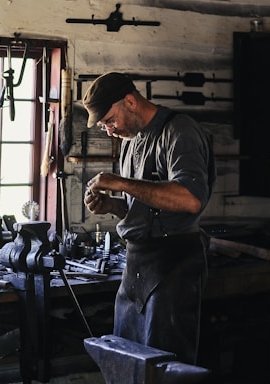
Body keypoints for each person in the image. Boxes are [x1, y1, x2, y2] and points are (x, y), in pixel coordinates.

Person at [82, 72, 215, 365]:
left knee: (164, 366)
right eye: (104, 125)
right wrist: (112, 205)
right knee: (127, 360)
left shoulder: (178, 131)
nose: (108, 131)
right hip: (138, 266)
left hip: (173, 265)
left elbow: (190, 199)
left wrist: (123, 183)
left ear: (130, 101)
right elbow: (144, 208)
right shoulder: (131, 142)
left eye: (109, 121)